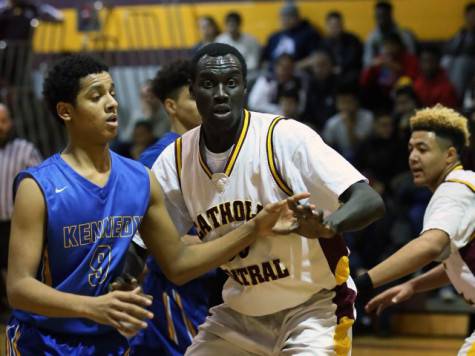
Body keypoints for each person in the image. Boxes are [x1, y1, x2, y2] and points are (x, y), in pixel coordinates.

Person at [5, 53, 308, 354]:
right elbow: (18, 288)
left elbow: (177, 264)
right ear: (66, 111)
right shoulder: (38, 186)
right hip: (43, 341)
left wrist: (254, 228)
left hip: (110, 341)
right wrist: (91, 306)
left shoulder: (140, 179)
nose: (112, 103)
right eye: (95, 96)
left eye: (112, 92)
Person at [149, 43, 384, 355]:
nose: (221, 93)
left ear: (244, 88)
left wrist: (328, 226)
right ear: (192, 91)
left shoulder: (283, 137)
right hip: (239, 315)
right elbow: (157, 251)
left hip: (314, 308)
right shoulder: (174, 160)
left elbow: (369, 200)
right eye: (209, 84)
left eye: (231, 82)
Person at [356, 105, 475, 355]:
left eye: (423, 149)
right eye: (410, 149)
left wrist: (362, 284)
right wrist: (413, 286)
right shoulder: (465, 185)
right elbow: (458, 264)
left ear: (450, 155)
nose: (412, 157)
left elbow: (429, 246)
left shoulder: (453, 190)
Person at [129, 60, 224, 355]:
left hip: (218, 283)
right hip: (177, 289)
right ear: (170, 106)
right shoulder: (158, 157)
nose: (205, 101)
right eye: (194, 96)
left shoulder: (216, 152)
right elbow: (142, 231)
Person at [0, 103, 42, 315]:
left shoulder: (25, 149)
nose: (0, 126)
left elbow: (43, 184)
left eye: (3, 120)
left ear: (11, 123)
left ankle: (26, 313)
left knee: (20, 271)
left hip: (18, 224)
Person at [363, 0, 417, 67]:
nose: (380, 20)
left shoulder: (404, 35)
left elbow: (412, 57)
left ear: (390, 15)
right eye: (378, 16)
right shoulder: (372, 37)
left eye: (383, 16)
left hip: (402, 69)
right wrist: (381, 62)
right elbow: (367, 62)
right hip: (381, 71)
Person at [215, 12, 261, 80]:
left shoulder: (252, 40)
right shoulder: (220, 40)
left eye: (233, 24)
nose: (231, 28)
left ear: (239, 24)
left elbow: (253, 63)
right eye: (229, 25)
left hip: (248, 74)